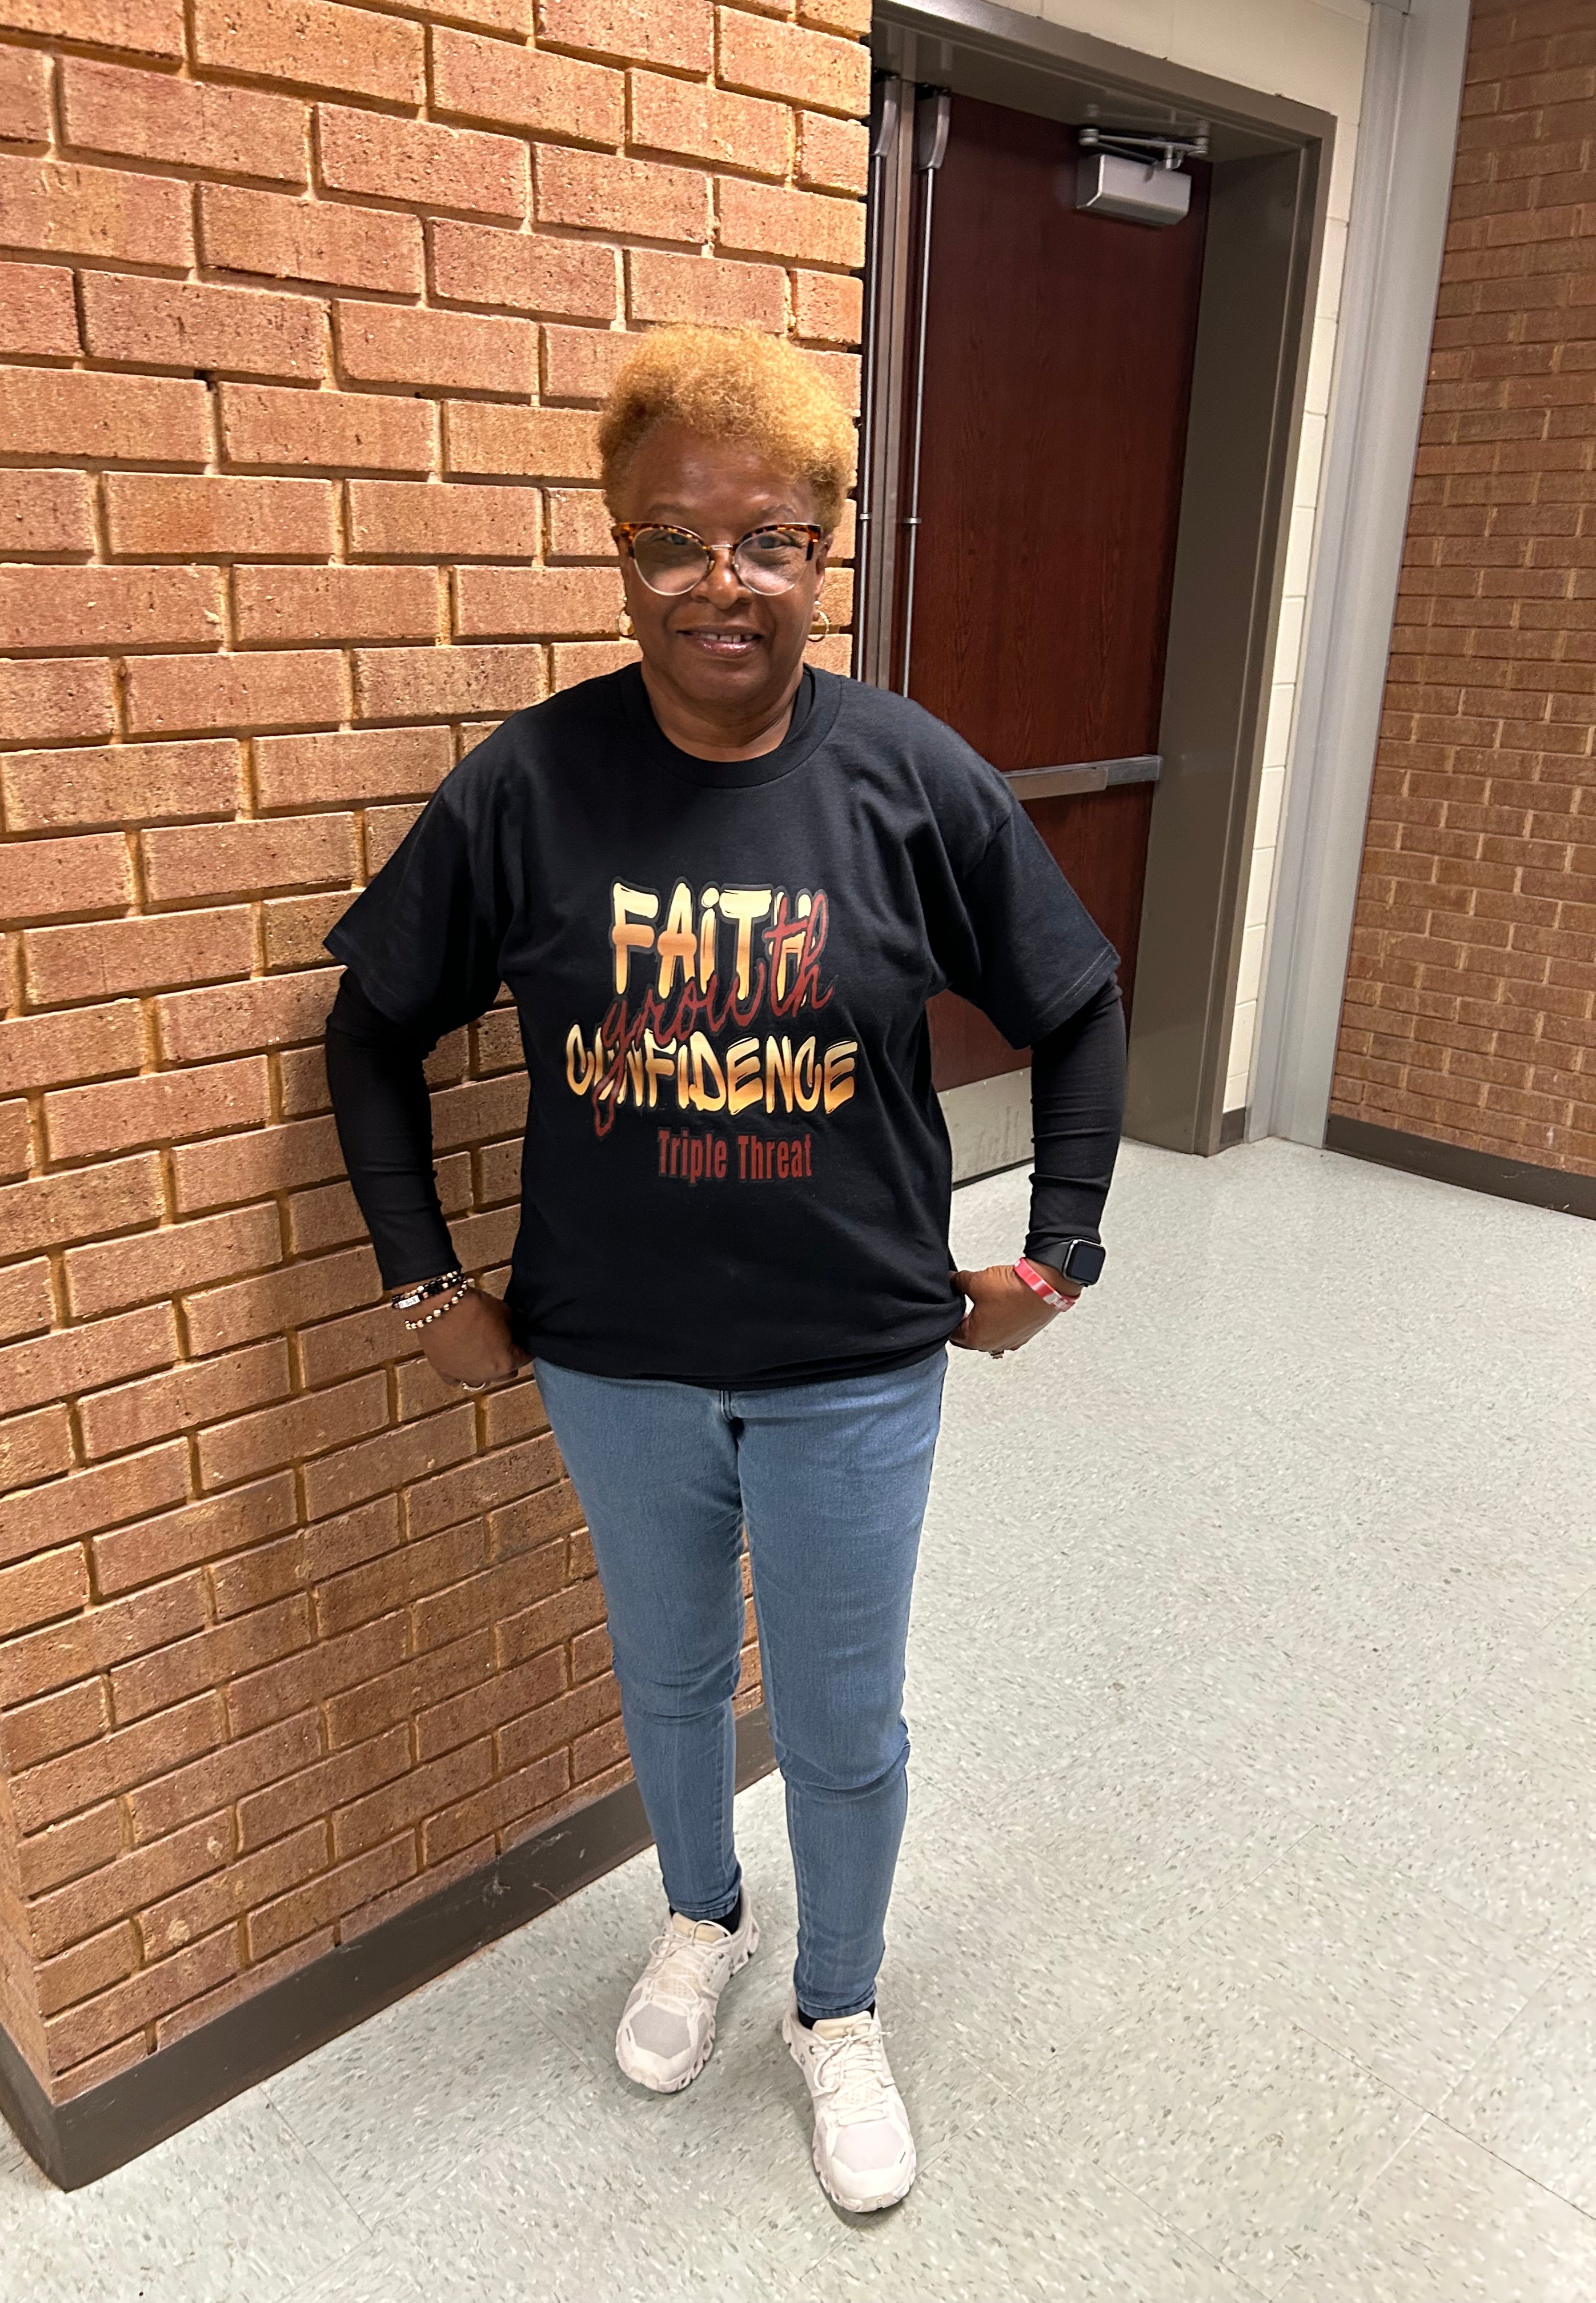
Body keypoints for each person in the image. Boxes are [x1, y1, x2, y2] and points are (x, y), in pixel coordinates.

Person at [324, 324, 1125, 2213]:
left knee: (841, 1721)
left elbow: (1078, 1000)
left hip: (856, 1360)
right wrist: (426, 1289)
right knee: (675, 1679)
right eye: (672, 541)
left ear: (825, 548)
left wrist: (1060, 1255)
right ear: (619, 547)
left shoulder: (911, 779)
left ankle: (837, 2006)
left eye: (769, 539)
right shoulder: (530, 786)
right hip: (615, 1360)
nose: (720, 585)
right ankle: (700, 1915)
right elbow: (370, 1029)